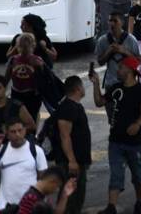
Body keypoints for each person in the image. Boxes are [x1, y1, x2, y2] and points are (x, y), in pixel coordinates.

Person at [91, 56, 141, 214]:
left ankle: (140, 202)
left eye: (120, 68)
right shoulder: (115, 88)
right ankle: (111, 206)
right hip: (116, 141)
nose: (117, 71)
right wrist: (96, 83)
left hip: (135, 143)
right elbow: (99, 102)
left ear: (130, 71)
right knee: (116, 174)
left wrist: (137, 124)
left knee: (138, 174)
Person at [50, 76, 91, 214]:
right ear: (78, 88)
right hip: (71, 163)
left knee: (77, 198)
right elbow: (64, 135)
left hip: (77, 161)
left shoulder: (73, 106)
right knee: (70, 200)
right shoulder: (68, 108)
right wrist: (72, 161)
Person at [0, 118, 46, 211]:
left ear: (25, 130)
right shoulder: (1, 150)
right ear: (7, 133)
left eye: (20, 130)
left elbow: (44, 179)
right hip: (5, 207)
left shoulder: (37, 151)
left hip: (28, 206)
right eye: (13, 132)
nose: (17, 134)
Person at [94, 14, 141, 94]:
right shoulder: (102, 41)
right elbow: (100, 62)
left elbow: (138, 61)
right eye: (110, 21)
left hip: (128, 83)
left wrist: (124, 51)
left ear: (122, 23)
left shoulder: (131, 40)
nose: (112, 23)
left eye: (115, 21)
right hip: (110, 83)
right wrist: (108, 51)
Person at [5, 34, 45, 123]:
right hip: (17, 93)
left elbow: (43, 78)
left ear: (33, 46)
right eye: (22, 46)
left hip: (32, 94)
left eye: (27, 46)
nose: (25, 49)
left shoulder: (37, 61)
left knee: (32, 116)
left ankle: (32, 134)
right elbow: (7, 76)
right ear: (18, 47)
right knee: (17, 117)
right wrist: (3, 88)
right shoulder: (13, 60)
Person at [13, 166, 77, 214]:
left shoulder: (41, 196)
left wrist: (64, 195)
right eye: (58, 187)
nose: (56, 190)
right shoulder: (31, 198)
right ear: (53, 182)